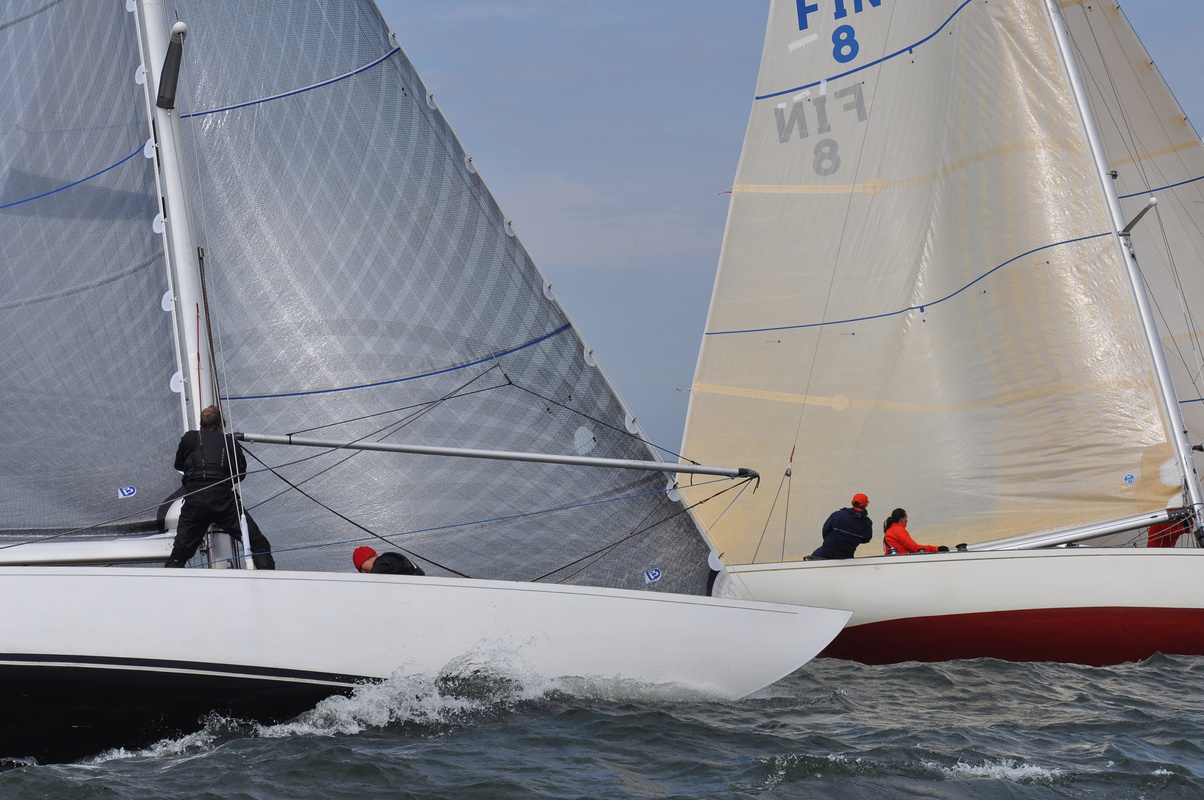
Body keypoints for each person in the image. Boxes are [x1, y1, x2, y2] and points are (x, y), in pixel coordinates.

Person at [165, 405, 275, 569]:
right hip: (223, 501)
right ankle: (268, 577)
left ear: (201, 425)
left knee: (179, 553)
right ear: (221, 425)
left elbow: (178, 464)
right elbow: (240, 473)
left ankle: (169, 580)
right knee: (257, 542)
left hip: (195, 500)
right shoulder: (230, 441)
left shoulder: (190, 438)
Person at [807, 493, 873, 560]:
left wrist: (830, 542)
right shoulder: (867, 523)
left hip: (827, 551)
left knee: (811, 560)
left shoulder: (839, 514)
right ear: (865, 505)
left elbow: (825, 529)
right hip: (846, 555)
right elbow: (866, 539)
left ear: (852, 502)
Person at [353, 546, 425, 575]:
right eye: (360, 571)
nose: (363, 573)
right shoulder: (389, 559)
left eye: (362, 568)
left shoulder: (384, 561)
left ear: (367, 559)